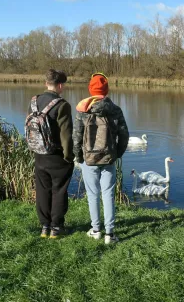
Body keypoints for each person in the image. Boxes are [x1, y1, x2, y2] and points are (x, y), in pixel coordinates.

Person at [73, 72, 129, 245]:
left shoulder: (83, 110)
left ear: (91, 89)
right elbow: (124, 135)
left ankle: (96, 230)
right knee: (108, 194)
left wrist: (78, 156)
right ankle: (109, 234)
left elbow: (76, 137)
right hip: (109, 158)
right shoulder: (115, 110)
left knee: (92, 194)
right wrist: (117, 154)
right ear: (106, 90)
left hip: (89, 159)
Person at [28, 69, 74, 239]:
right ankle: (56, 227)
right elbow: (66, 135)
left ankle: (44, 227)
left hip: (39, 155)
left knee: (42, 191)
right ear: (60, 85)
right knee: (59, 191)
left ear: (46, 83)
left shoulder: (34, 102)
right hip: (56, 156)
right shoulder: (62, 105)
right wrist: (69, 157)